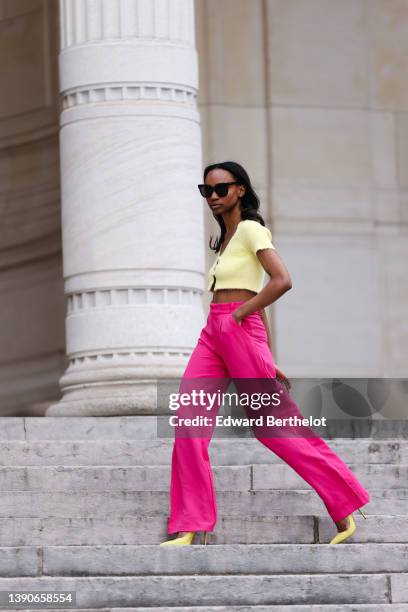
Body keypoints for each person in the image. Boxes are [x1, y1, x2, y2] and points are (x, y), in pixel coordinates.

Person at [160, 161, 370, 547]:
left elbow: (282, 280)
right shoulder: (224, 239)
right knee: (188, 419)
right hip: (215, 331)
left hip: (238, 326)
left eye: (220, 189)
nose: (213, 198)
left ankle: (345, 504)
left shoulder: (252, 229)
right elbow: (253, 301)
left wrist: (242, 318)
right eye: (206, 191)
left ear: (240, 190)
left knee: (273, 426)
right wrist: (267, 353)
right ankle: (191, 524)